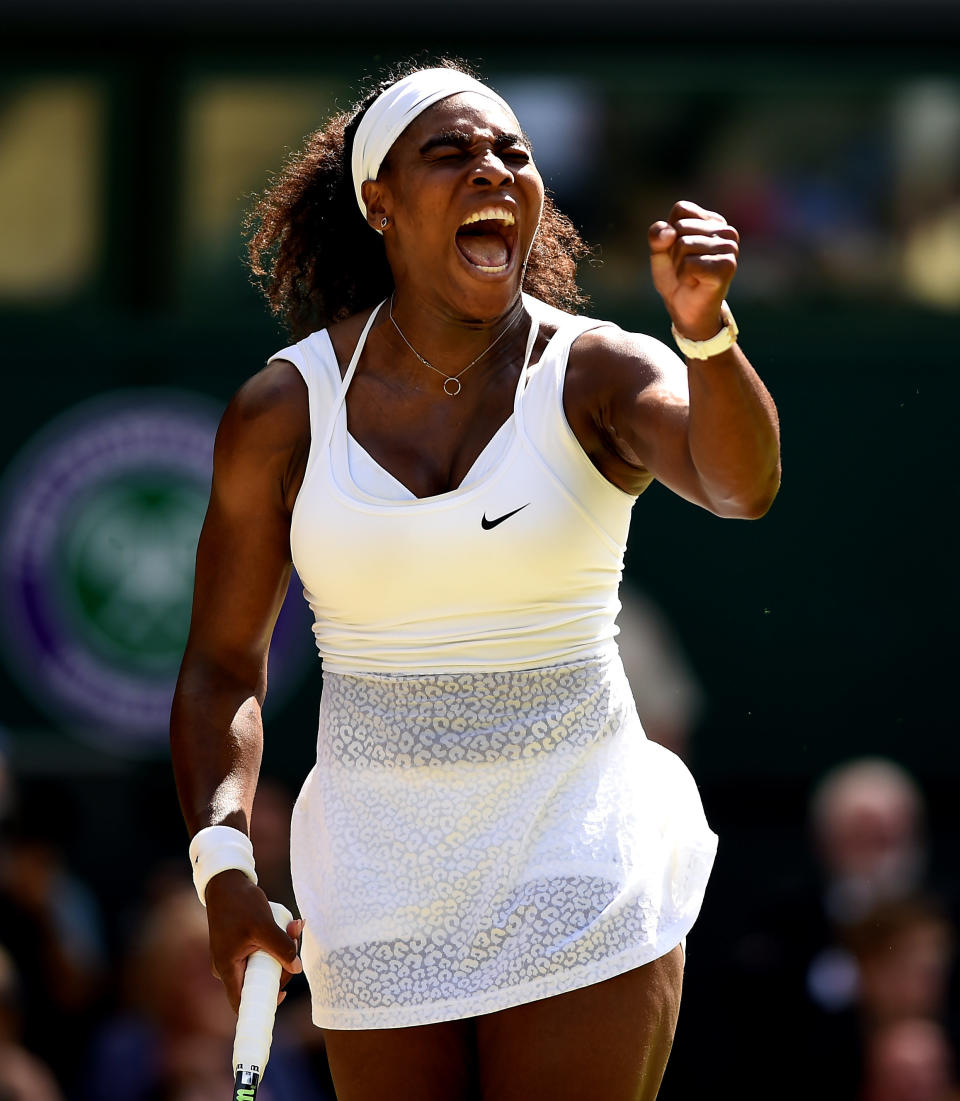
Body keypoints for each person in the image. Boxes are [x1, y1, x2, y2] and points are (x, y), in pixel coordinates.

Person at [170, 59, 781, 1101]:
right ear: (380, 204)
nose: (493, 170)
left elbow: (739, 485)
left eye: (514, 153)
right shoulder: (280, 412)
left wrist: (706, 336)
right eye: (450, 154)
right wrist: (223, 871)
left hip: (576, 860)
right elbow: (222, 665)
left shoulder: (599, 371)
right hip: (375, 885)